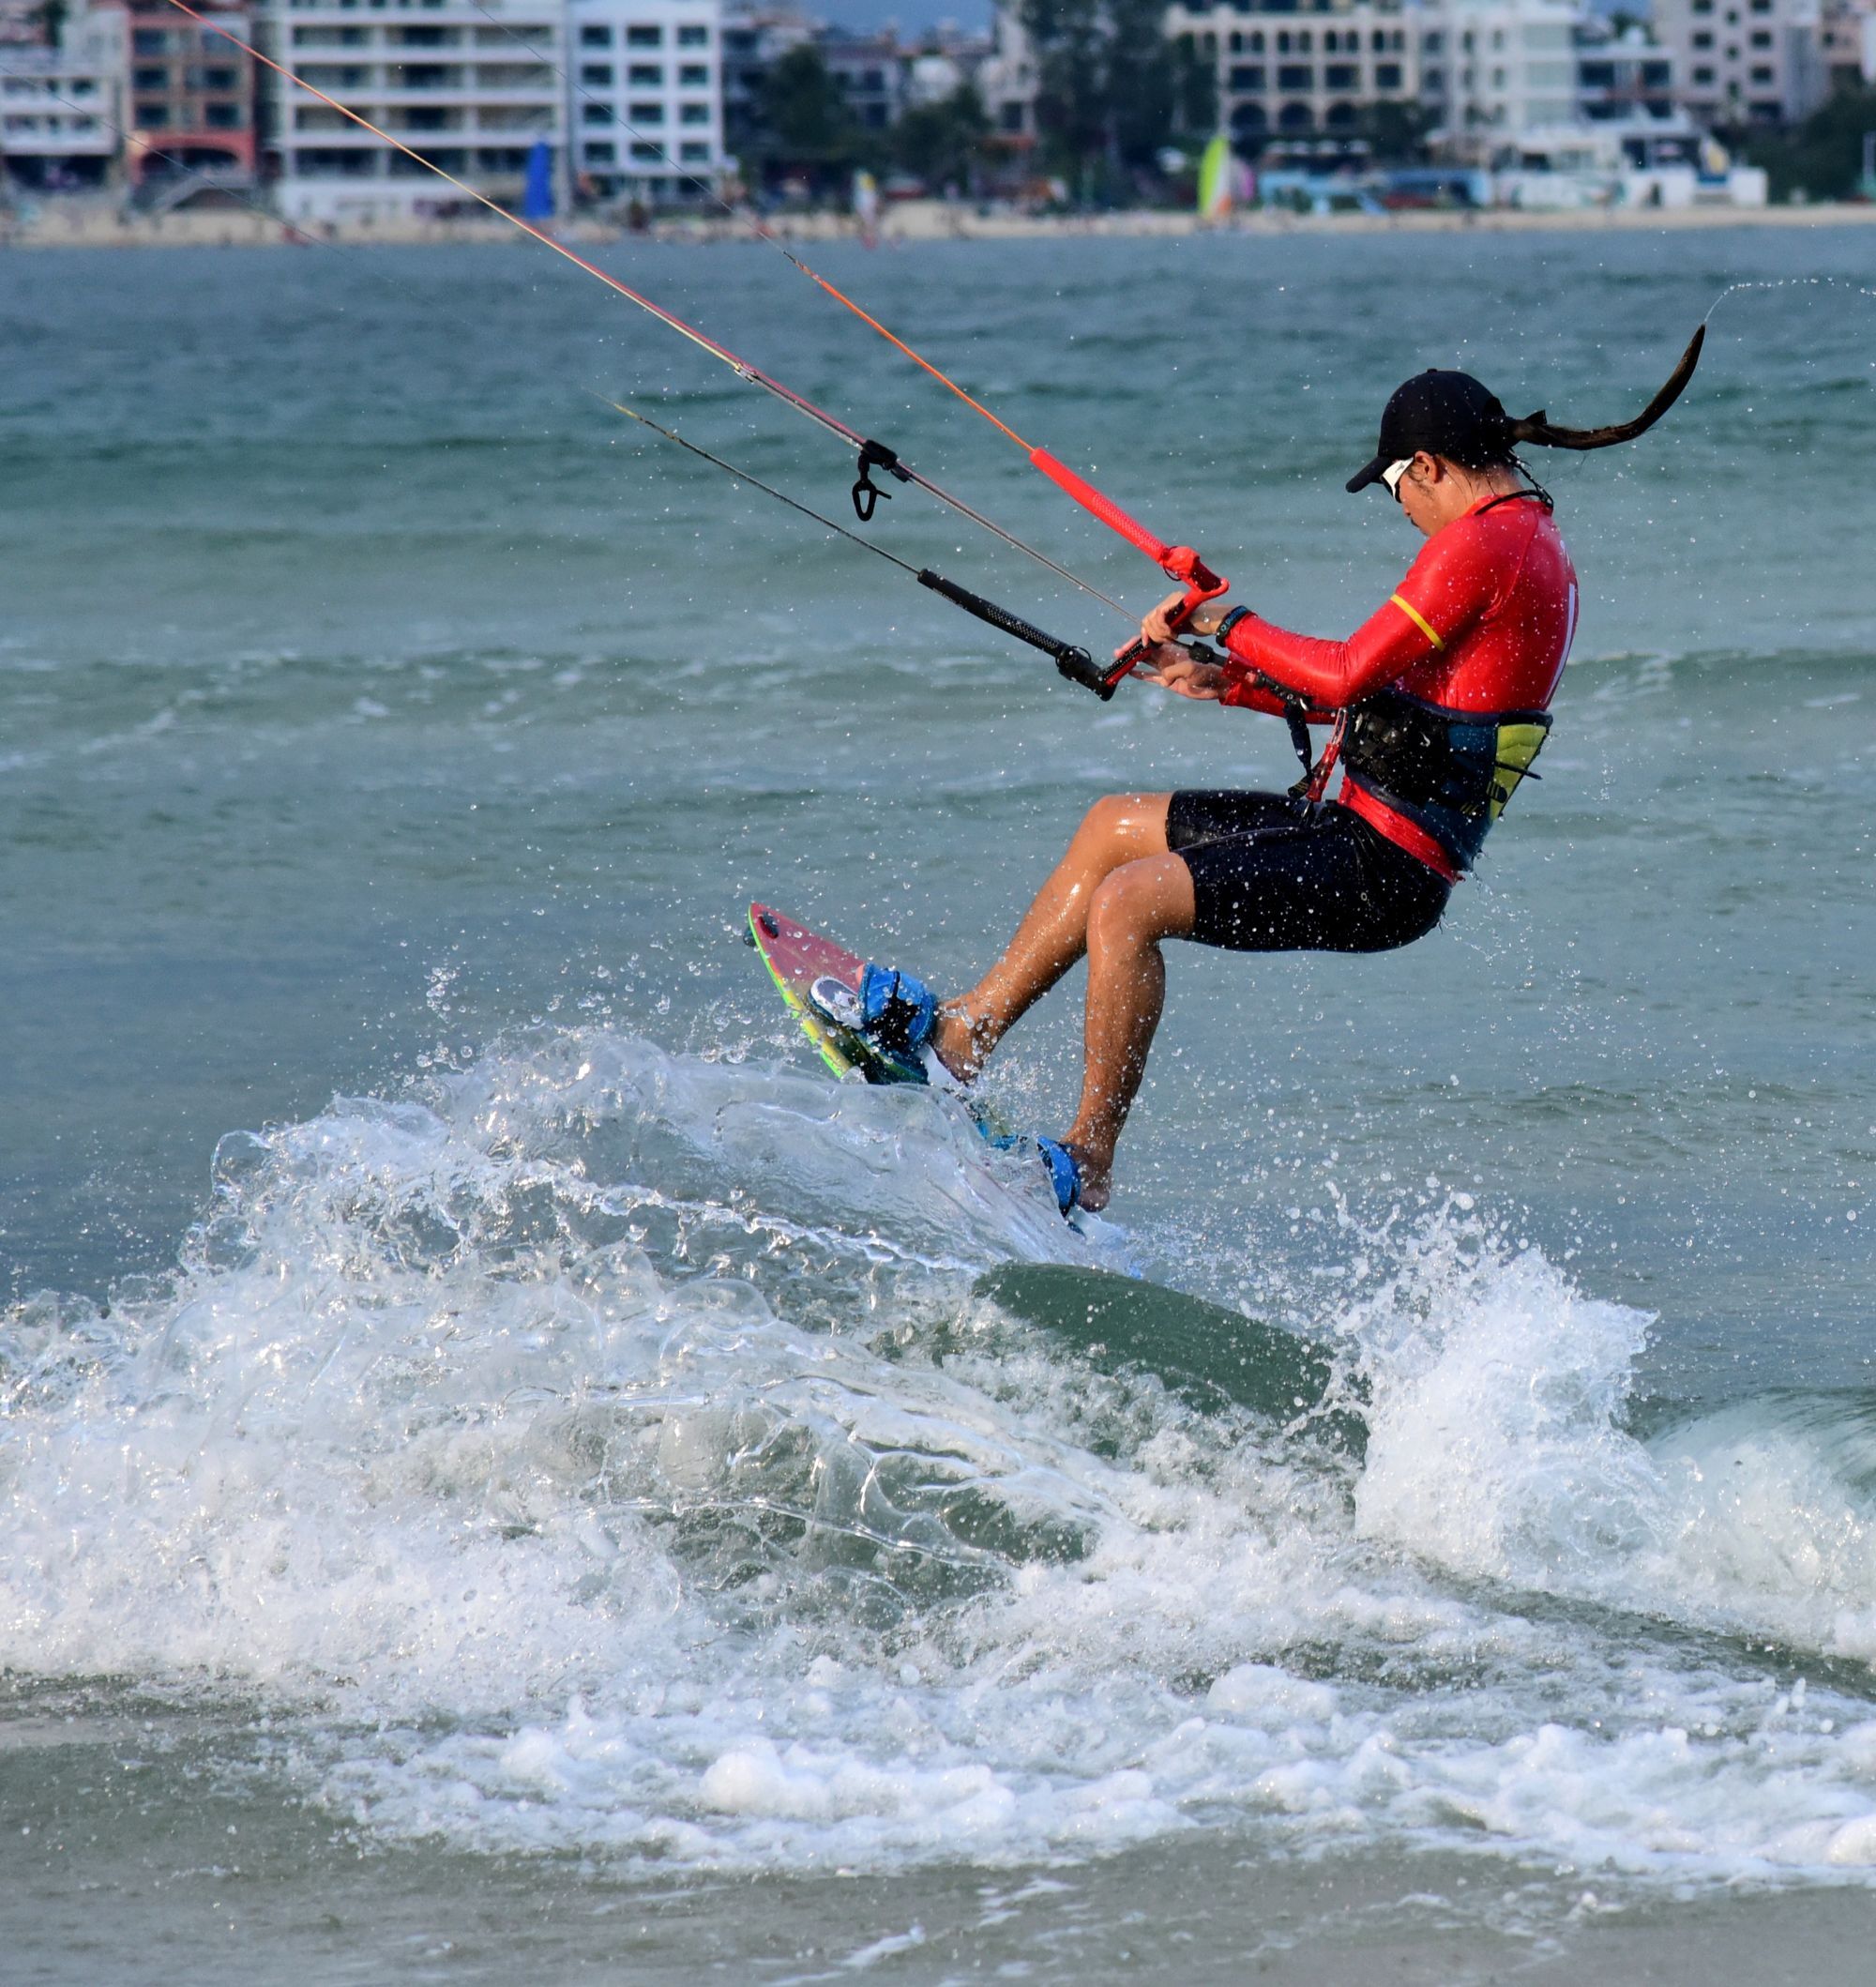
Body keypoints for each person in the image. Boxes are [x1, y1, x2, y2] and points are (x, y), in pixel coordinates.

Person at [838, 334, 1704, 1214]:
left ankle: (1086, 1159)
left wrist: (1228, 619)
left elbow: (1346, 674)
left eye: (1396, 486)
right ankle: (961, 1038)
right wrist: (1230, 683)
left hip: (1386, 869)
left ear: (1432, 467)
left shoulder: (1485, 549)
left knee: (1130, 902)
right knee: (1113, 826)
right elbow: (1394, 708)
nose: (1399, 508)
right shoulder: (1524, 541)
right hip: (1354, 825)